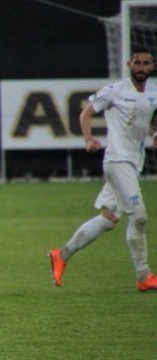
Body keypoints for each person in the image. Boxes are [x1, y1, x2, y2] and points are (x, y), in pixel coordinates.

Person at [49, 46, 157, 291]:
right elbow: (86, 113)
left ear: (151, 67)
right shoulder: (115, 91)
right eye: (137, 63)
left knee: (109, 219)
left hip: (133, 162)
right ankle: (144, 275)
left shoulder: (154, 92)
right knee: (139, 217)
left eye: (146, 63)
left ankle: (61, 255)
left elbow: (151, 120)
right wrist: (88, 139)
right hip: (117, 161)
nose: (141, 67)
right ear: (129, 65)